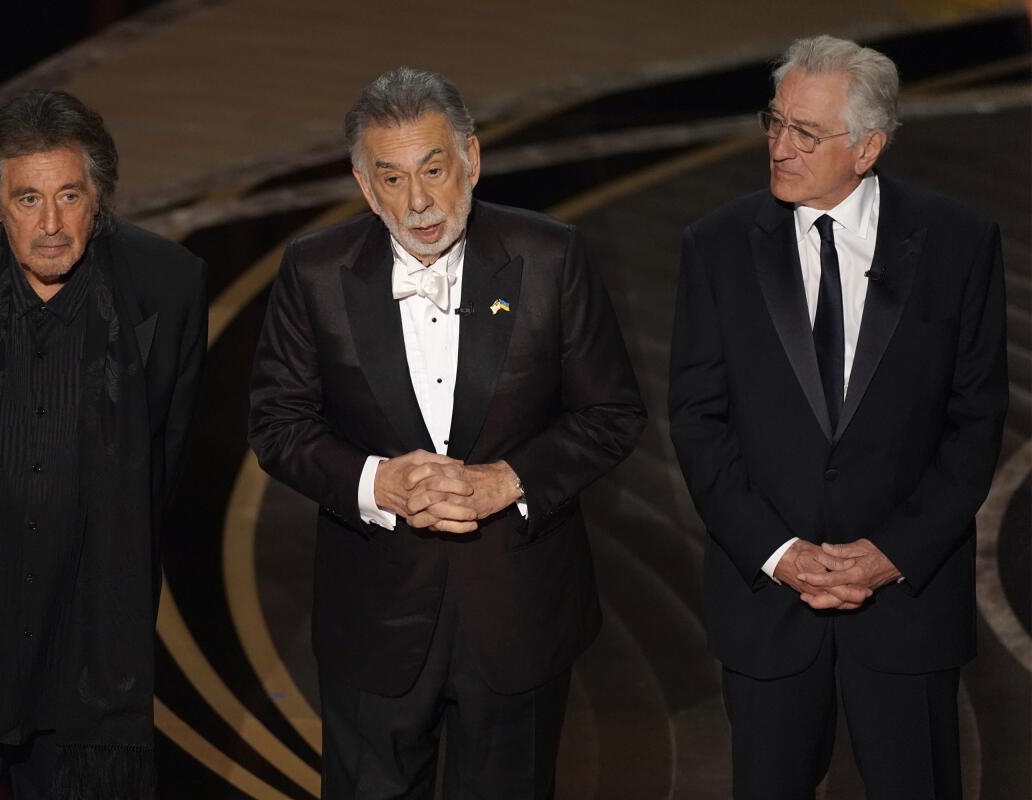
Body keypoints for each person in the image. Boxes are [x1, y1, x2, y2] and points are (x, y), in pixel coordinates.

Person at [248, 66, 645, 797]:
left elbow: (611, 413)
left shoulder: (551, 258)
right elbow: (277, 423)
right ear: (365, 187)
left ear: (472, 158)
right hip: (374, 623)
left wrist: (509, 480)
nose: (420, 201)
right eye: (392, 180)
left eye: (433, 169)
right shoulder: (314, 271)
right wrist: (377, 482)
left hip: (519, 619)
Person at [669, 35, 1007, 799]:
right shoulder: (716, 247)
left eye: (806, 133)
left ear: (868, 147)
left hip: (907, 608)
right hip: (767, 608)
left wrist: (893, 552)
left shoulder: (958, 244)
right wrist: (778, 551)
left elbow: (974, 421)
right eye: (775, 122)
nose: (779, 147)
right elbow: (697, 421)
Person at [0, 90, 207, 799]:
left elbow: (165, 457)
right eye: (27, 199)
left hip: (88, 634)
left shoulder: (167, 284)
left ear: (99, 199)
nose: (51, 224)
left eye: (70, 196)